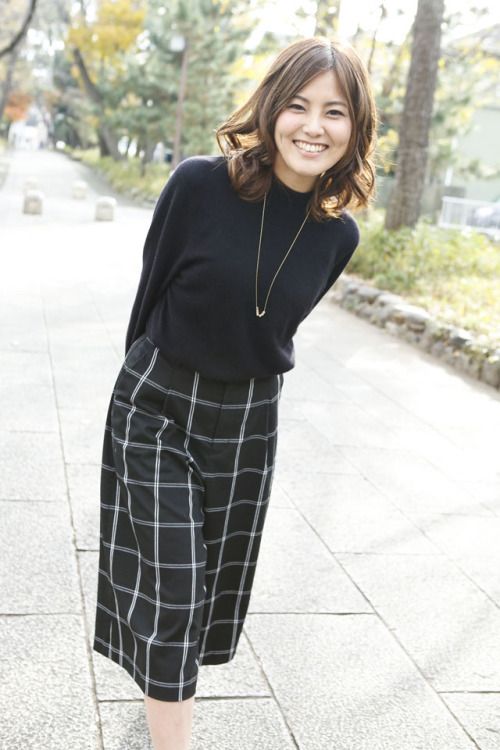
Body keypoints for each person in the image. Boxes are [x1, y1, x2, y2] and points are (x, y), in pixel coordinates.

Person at [93, 35, 377, 750]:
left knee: (205, 600)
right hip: (158, 404)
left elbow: (275, 324)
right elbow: (150, 295)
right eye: (300, 106)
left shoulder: (338, 236)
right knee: (175, 589)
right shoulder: (197, 184)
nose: (314, 127)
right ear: (274, 108)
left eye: (335, 112)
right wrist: (139, 391)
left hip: (249, 418)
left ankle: (164, 697)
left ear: (356, 128)